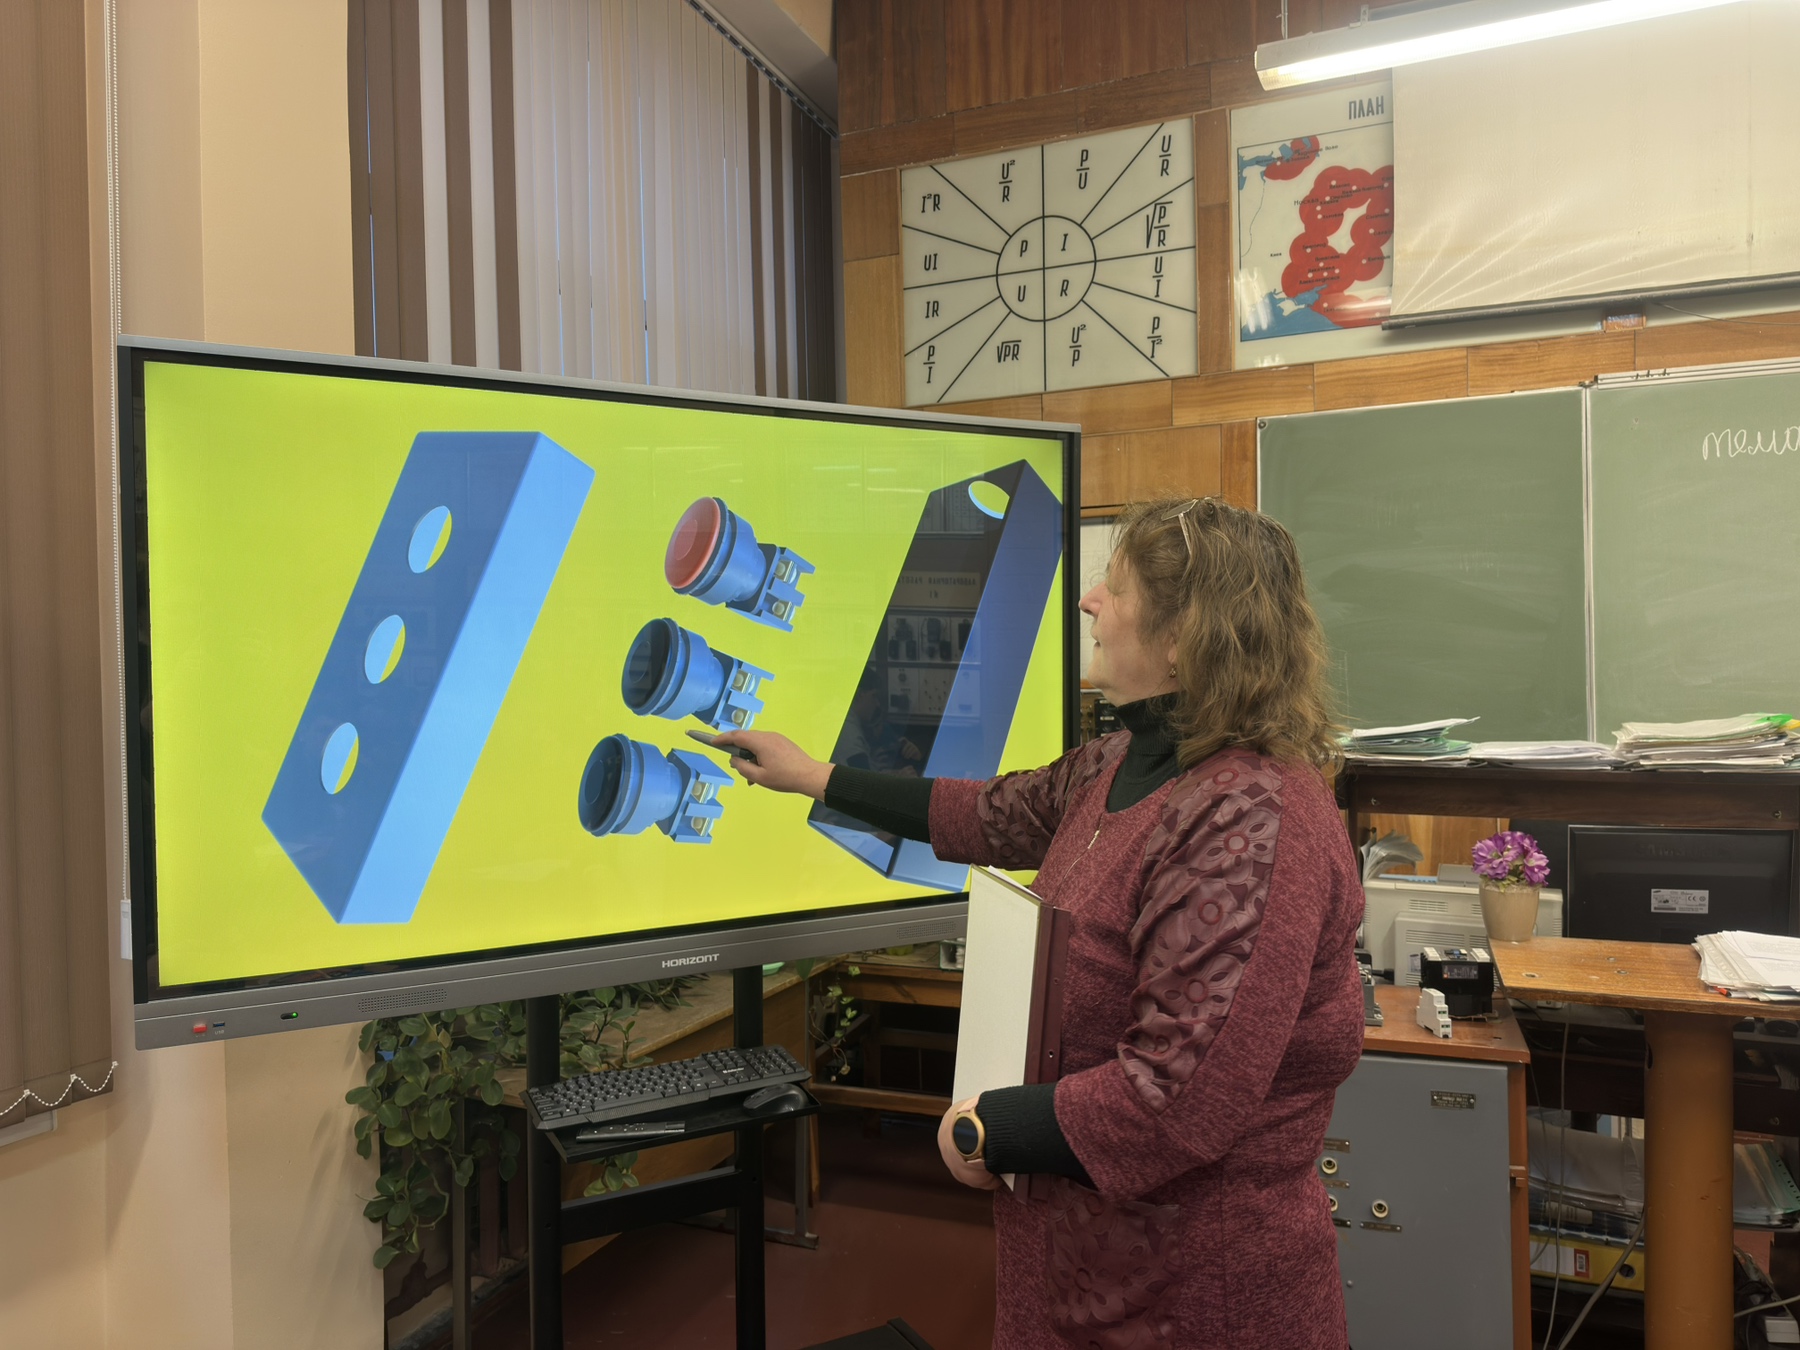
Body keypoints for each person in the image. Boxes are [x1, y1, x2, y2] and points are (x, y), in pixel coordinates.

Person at [719, 497, 1365, 1350]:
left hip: (1195, 1290)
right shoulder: (1118, 762)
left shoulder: (1249, 819)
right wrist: (816, 777)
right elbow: (986, 814)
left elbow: (1177, 1101)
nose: (1090, 601)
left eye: (1115, 588)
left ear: (1183, 637)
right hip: (1074, 1252)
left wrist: (987, 1129)